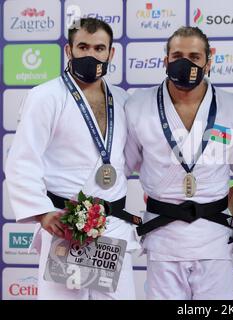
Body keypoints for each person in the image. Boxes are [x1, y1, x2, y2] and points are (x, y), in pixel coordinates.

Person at [5, 18, 140, 300]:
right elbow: (22, 160)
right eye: (83, 47)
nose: (91, 55)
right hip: (66, 225)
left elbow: (128, 159)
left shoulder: (124, 99)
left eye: (99, 48)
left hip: (112, 225)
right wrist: (42, 211)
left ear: (111, 54)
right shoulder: (46, 96)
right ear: (69, 51)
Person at [125, 26, 233, 300]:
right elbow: (120, 169)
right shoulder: (138, 106)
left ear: (208, 59)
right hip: (163, 236)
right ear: (165, 59)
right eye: (177, 54)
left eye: (194, 56)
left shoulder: (232, 107)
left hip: (214, 236)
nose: (185, 62)